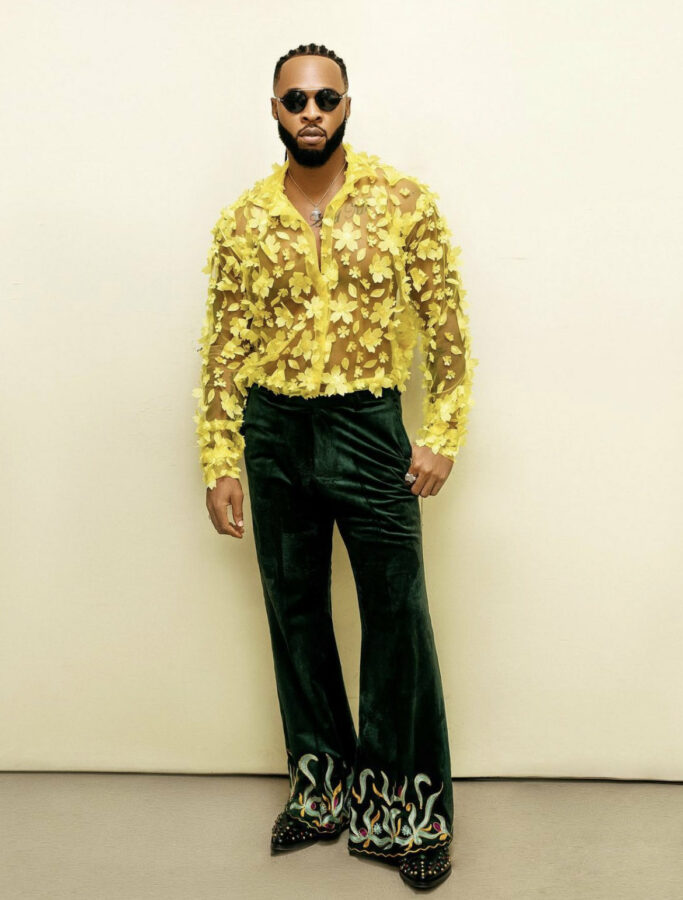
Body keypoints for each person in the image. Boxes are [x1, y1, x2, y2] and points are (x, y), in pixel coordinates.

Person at [192, 42, 478, 890]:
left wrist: (441, 433)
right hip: (275, 432)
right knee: (295, 614)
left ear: (346, 104)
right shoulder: (243, 221)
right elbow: (222, 349)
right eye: (295, 100)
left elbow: (447, 329)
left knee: (397, 618)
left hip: (367, 427)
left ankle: (407, 814)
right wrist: (220, 458)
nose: (310, 112)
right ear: (274, 110)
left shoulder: (402, 203)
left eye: (325, 98)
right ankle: (321, 791)